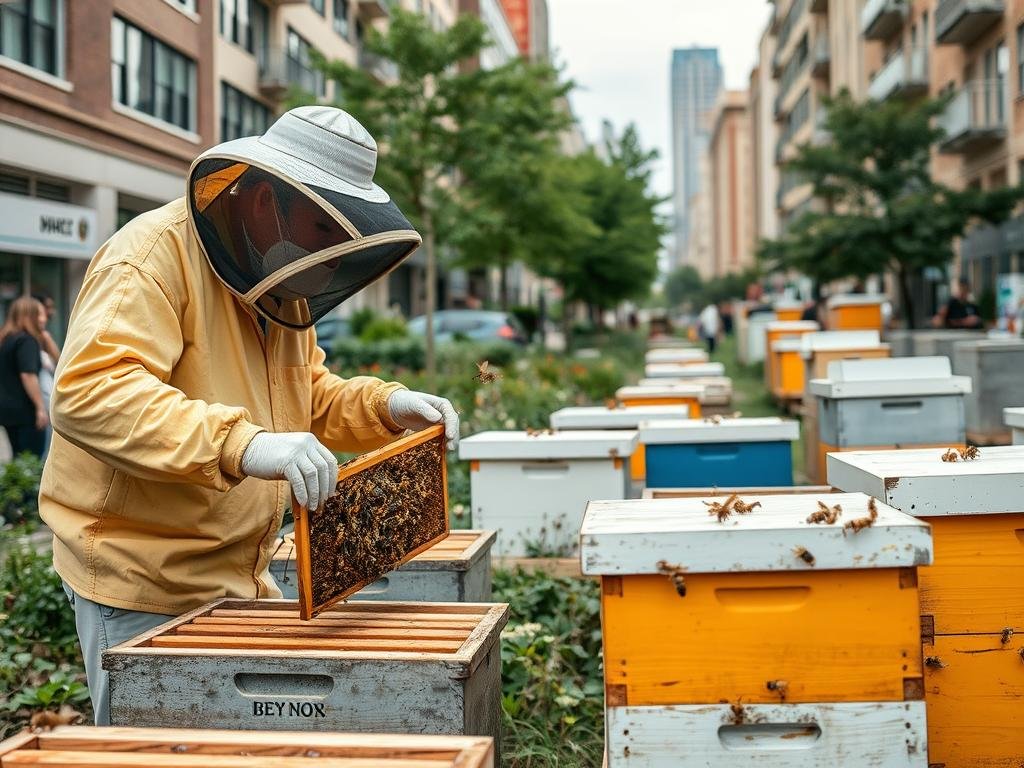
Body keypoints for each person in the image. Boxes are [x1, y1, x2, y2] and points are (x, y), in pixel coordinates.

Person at [40, 107, 460, 725]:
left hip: (243, 575)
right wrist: (243, 443)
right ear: (267, 198)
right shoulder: (150, 258)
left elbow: (306, 395)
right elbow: (93, 391)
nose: (332, 248)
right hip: (143, 580)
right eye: (323, 224)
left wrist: (386, 406)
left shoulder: (275, 283)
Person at [0, 296, 50, 457]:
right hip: (26, 412)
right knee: (32, 461)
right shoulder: (27, 341)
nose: (45, 318)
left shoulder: (6, 340)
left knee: (19, 460)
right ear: (30, 316)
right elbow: (27, 375)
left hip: (8, 411)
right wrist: (40, 407)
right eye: (40, 314)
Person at [32, 293, 60, 458]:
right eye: (47, 308)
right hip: (41, 400)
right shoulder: (28, 340)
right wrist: (40, 408)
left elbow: (58, 359)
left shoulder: (43, 336)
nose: (51, 313)